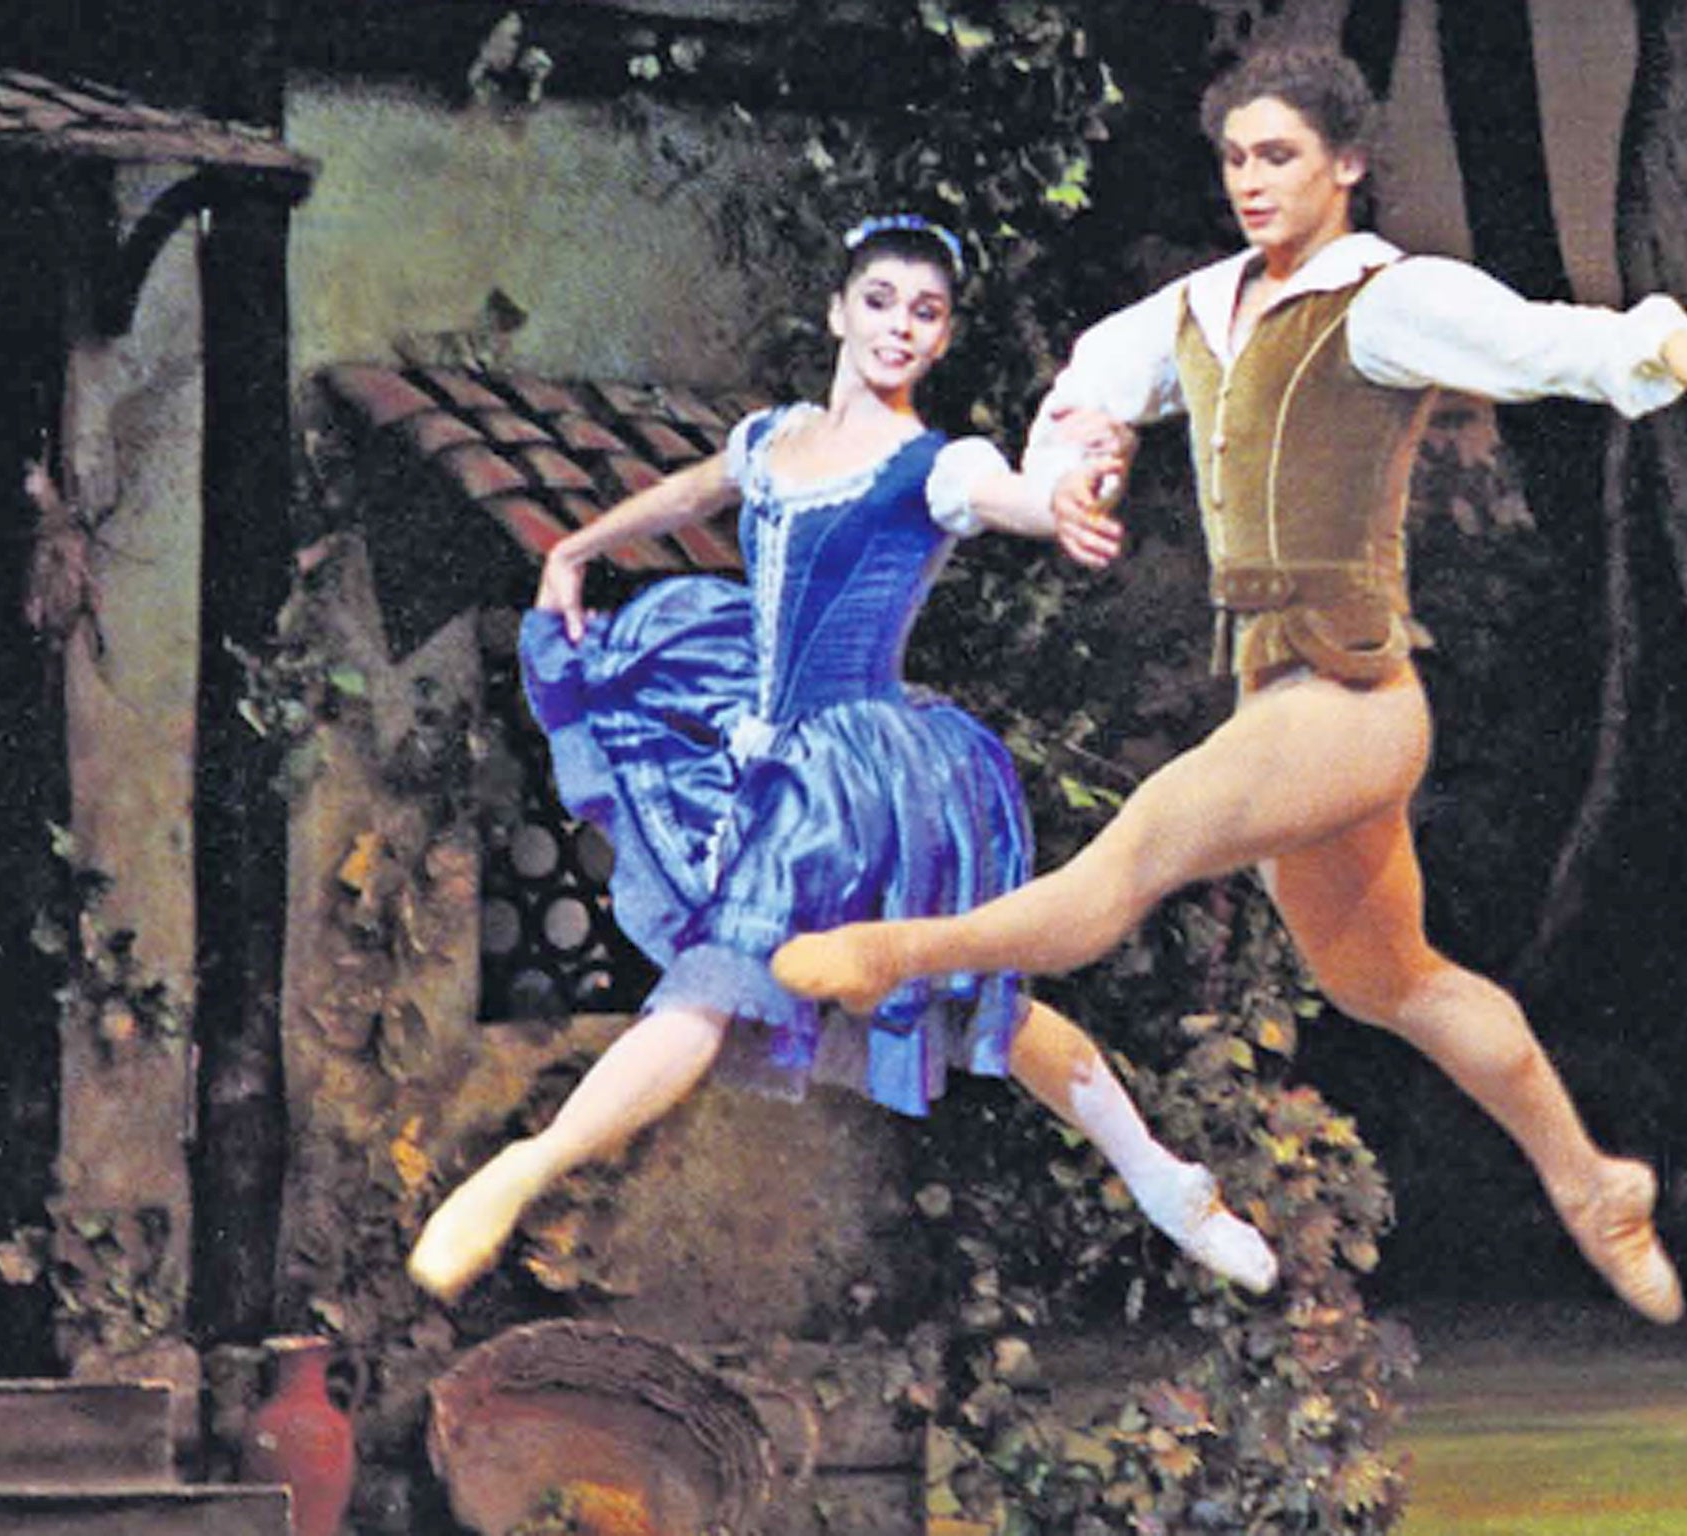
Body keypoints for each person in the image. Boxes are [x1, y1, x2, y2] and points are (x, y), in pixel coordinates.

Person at [774, 49, 1687, 1326]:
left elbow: (1542, 344)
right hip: (1279, 700)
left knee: (1124, 865)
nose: (1252, 181)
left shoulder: (1383, 299)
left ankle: (894, 954)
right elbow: (1093, 381)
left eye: (1279, 156)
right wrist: (1075, 468)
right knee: (1392, 981)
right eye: (1236, 158)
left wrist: (1659, 347)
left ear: (1346, 164)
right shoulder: (1200, 311)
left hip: (1356, 700)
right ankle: (1594, 1181)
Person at [407, 215, 1278, 1303]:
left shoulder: (936, 465)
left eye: (924, 312)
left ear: (944, 336)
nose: (897, 328)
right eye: (879, 302)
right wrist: (576, 549)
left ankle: (1163, 1182)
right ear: (837, 311)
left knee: (934, 1008)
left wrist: (1056, 502)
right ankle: (1161, 1175)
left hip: (854, 779)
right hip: (752, 743)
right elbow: (694, 492)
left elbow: (1004, 495)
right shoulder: (775, 439)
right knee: (802, 992)